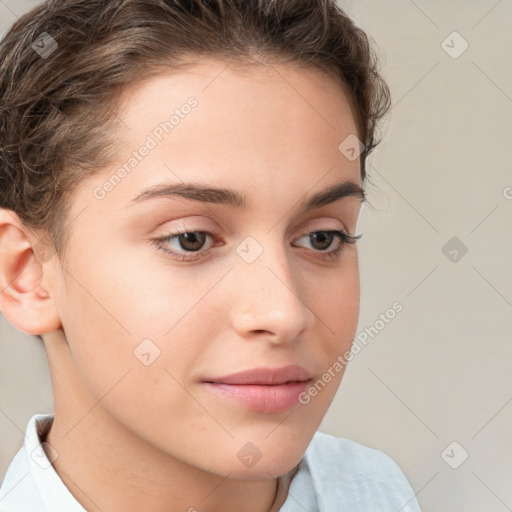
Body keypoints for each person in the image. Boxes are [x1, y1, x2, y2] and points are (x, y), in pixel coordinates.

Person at [0, 0, 422, 510]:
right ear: (26, 274)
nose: (284, 314)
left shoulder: (377, 492)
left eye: (321, 238)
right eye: (190, 239)